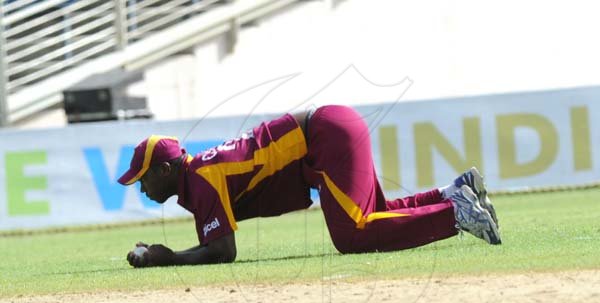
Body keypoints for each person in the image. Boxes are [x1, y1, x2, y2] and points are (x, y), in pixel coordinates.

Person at [119, 105, 501, 268]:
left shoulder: (200, 180)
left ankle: (457, 214)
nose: (141, 189)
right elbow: (214, 247)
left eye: (143, 178)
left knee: (353, 235)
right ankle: (454, 193)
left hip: (324, 134)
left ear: (167, 170)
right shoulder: (197, 177)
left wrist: (167, 258)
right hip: (330, 125)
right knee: (371, 214)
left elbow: (222, 252)